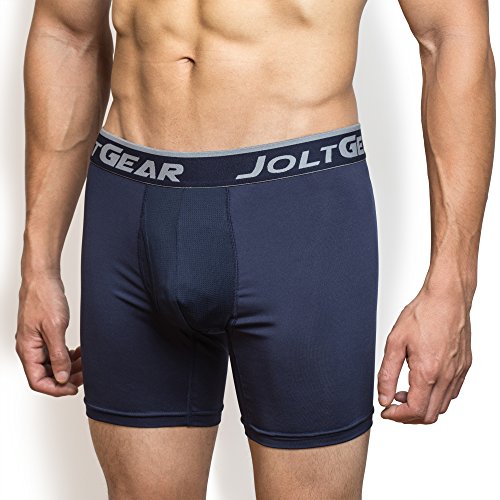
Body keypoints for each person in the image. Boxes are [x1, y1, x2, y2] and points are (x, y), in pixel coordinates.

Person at [15, 0, 495, 498]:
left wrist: (453, 286)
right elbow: (67, 34)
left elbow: (452, 33)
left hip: (298, 220)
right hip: (129, 212)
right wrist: (39, 264)